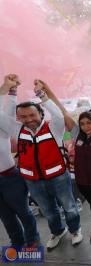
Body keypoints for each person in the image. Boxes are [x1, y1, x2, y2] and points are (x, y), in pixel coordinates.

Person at [0, 79, 82, 250]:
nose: (28, 119)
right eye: (23, 116)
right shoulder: (17, 129)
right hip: (33, 181)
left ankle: (75, 230)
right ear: (18, 118)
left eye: (32, 115)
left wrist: (42, 94)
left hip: (58, 177)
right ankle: (58, 231)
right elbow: (2, 116)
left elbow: (59, 115)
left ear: (41, 114)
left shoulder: (54, 128)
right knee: (48, 211)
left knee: (69, 207)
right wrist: (9, 91)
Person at [43, 83, 91, 246]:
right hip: (84, 181)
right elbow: (63, 111)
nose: (86, 126)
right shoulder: (77, 135)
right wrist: (48, 91)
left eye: (89, 123)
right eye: (82, 124)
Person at [0, 74, 40, 247]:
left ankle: (32, 240)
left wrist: (10, 90)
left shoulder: (2, 131)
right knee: (5, 216)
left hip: (10, 177)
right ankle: (16, 241)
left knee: (23, 212)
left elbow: (6, 114)